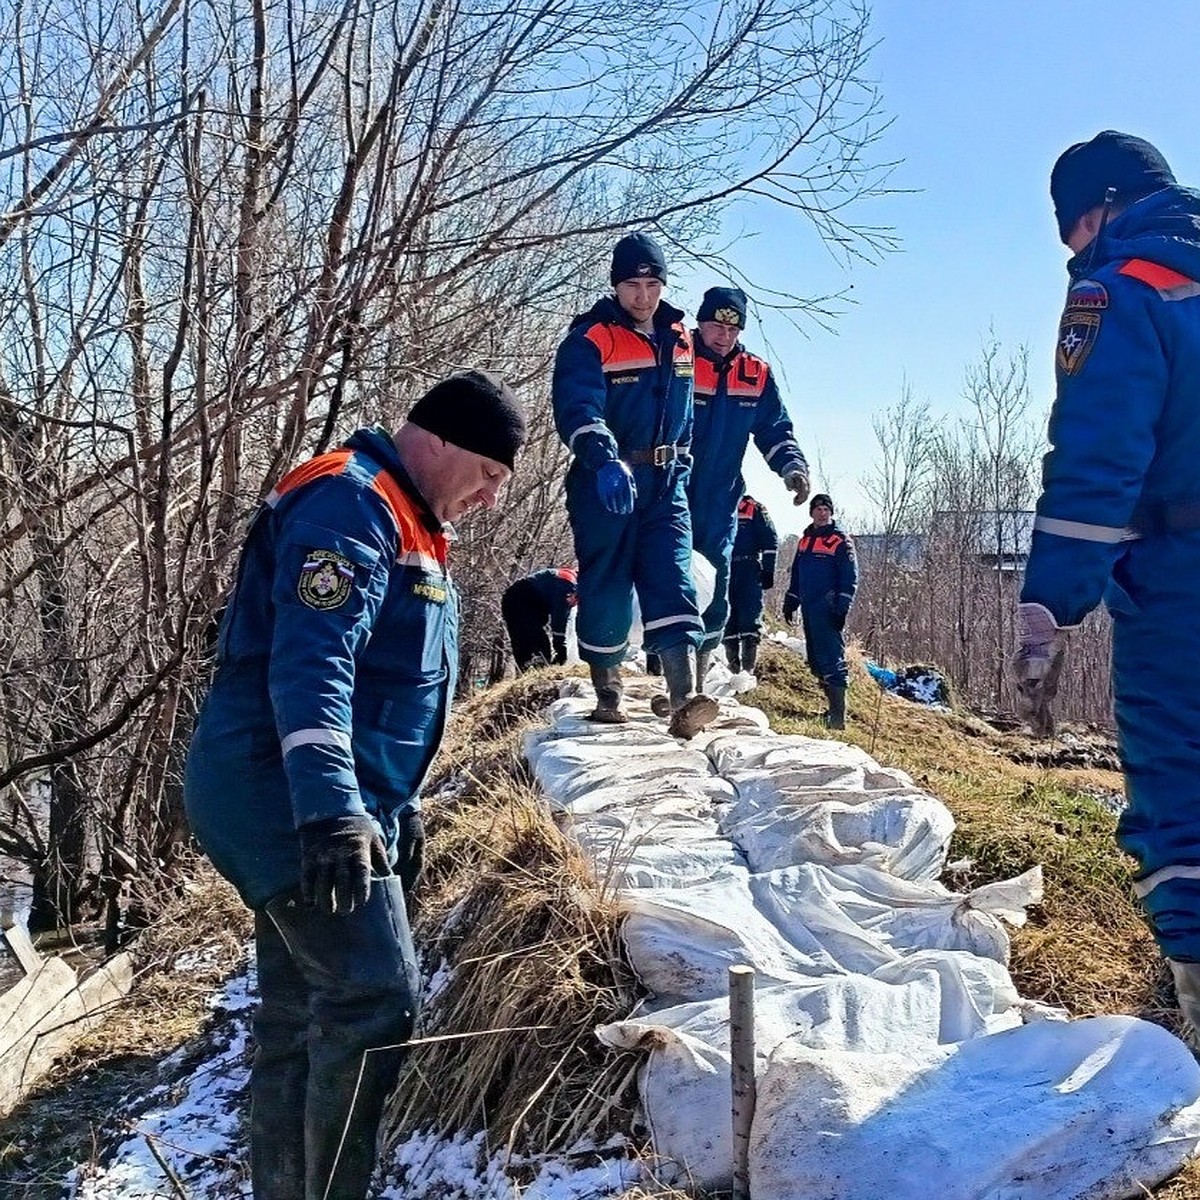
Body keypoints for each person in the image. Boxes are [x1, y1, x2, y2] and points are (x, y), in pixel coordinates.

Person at [183, 371, 527, 1199]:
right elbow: (314, 667)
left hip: (319, 798)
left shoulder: (408, 518)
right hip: (281, 793)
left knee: (301, 1013)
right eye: (486, 474)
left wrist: (391, 806)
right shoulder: (351, 503)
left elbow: (385, 691)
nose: (487, 498)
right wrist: (334, 810)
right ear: (438, 440)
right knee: (374, 999)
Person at [1012, 130, 1200, 1039]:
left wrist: (1051, 606)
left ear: (1099, 211)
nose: (1071, 253)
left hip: (1179, 581)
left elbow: (1096, 460)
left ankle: (1196, 1010)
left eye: (1070, 232)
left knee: (1179, 788)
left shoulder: (1121, 289)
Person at [552, 231, 717, 738]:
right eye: (631, 284)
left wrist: (683, 464)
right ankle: (608, 690)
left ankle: (684, 697)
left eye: (652, 283)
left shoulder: (680, 340)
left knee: (673, 574)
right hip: (607, 481)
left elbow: (686, 409)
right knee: (608, 581)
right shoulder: (591, 339)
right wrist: (603, 458)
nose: (642, 295)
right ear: (615, 285)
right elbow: (577, 406)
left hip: (667, 481)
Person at [686, 285, 810, 683]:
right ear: (700, 323)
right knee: (666, 576)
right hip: (670, 488)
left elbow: (774, 428)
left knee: (714, 582)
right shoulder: (677, 359)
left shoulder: (754, 374)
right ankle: (662, 670)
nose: (723, 337)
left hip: (721, 497)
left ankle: (699, 679)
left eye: (733, 329)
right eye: (715, 327)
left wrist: (792, 468)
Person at [783, 493, 858, 729]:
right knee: (815, 661)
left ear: (831, 512)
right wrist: (791, 599)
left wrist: (842, 608)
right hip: (808, 606)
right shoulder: (805, 540)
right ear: (811, 512)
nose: (822, 512)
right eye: (817, 509)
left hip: (828, 607)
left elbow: (850, 576)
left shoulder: (840, 540)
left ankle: (838, 719)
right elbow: (797, 573)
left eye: (826, 509)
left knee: (831, 659)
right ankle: (829, 709)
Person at [724, 494, 779, 675]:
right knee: (726, 617)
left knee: (750, 616)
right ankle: (732, 669)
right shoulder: (717, 500)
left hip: (748, 567)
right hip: (723, 567)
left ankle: (748, 670)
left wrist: (768, 570)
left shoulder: (754, 508)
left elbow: (770, 540)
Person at [501, 566, 578, 671]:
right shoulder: (568, 583)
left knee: (523, 643)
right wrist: (560, 648)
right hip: (521, 599)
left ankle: (528, 672)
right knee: (537, 642)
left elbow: (564, 616)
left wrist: (560, 646)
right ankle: (540, 672)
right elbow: (559, 618)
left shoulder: (571, 582)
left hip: (523, 601)